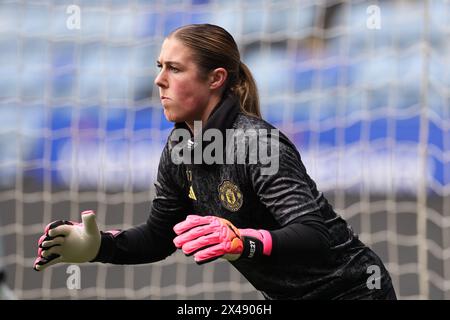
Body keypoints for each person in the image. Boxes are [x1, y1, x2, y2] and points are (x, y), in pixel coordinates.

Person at [33, 24, 397, 300]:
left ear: (216, 79)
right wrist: (100, 248)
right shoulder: (180, 148)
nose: (159, 80)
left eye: (174, 69)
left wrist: (244, 240)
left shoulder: (257, 143)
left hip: (355, 291)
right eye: (160, 66)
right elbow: (160, 238)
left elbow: (312, 234)